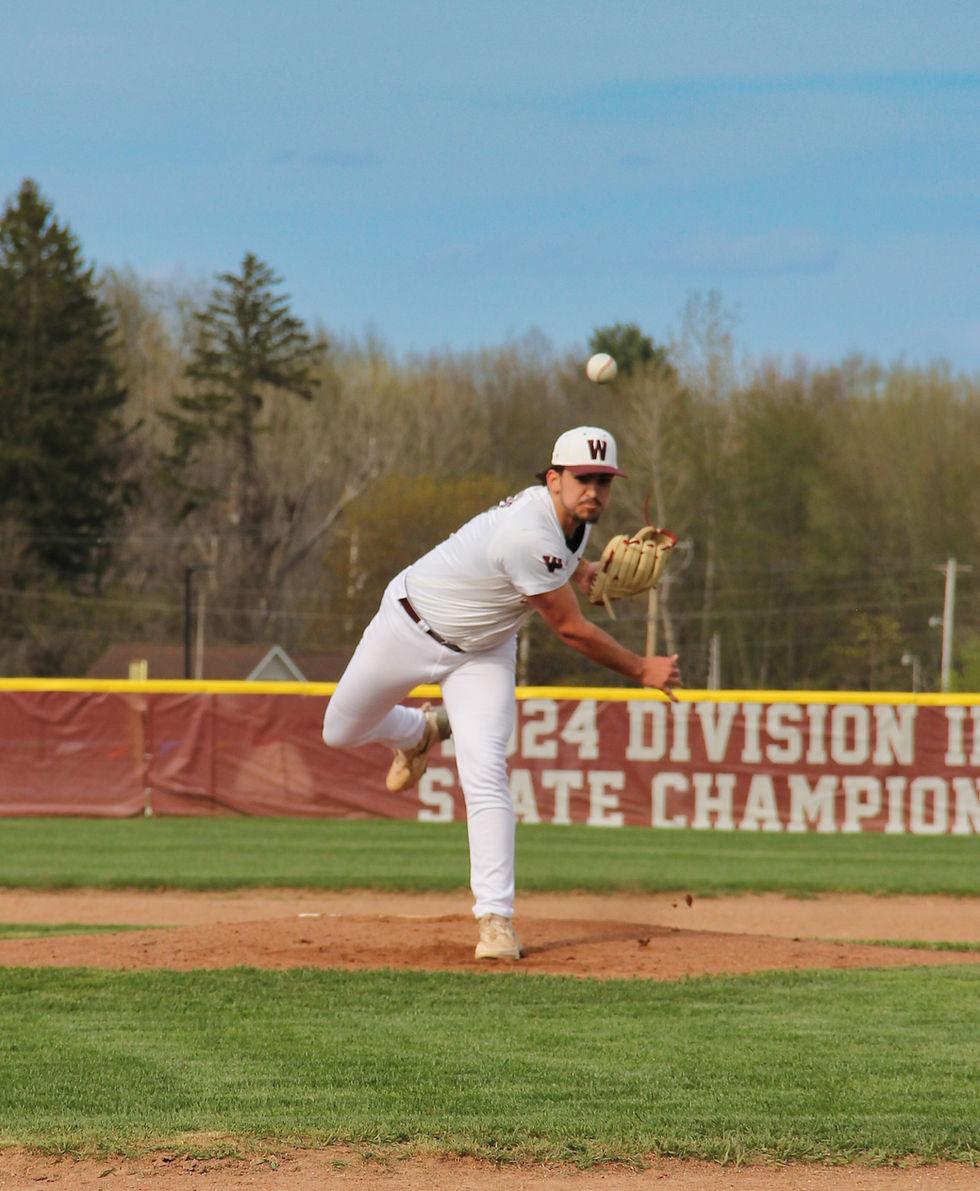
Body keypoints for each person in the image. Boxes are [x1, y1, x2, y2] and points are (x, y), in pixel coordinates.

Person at [321, 426, 681, 960]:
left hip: (483, 652)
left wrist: (582, 572)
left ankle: (495, 920)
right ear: (553, 478)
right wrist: (640, 668)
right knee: (339, 731)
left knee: (484, 771)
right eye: (584, 478)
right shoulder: (526, 531)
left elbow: (556, 562)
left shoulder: (572, 526)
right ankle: (420, 731)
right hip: (409, 627)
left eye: (604, 481)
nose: (595, 492)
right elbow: (571, 630)